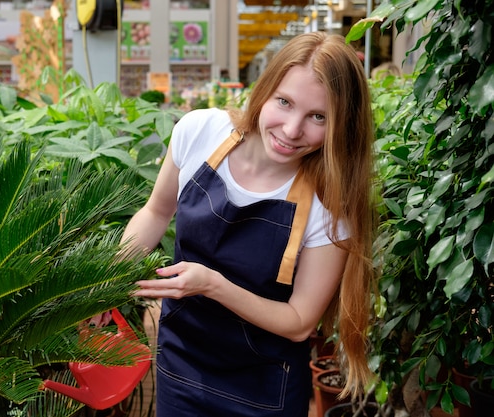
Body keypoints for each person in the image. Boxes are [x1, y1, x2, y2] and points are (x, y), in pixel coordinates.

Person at [121, 31, 376, 417]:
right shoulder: (199, 133)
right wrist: (105, 280)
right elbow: (156, 212)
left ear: (341, 124)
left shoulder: (330, 206)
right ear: (265, 89)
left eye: (318, 117)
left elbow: (298, 322)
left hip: (265, 388)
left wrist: (213, 285)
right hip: (180, 366)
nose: (292, 130)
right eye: (284, 102)